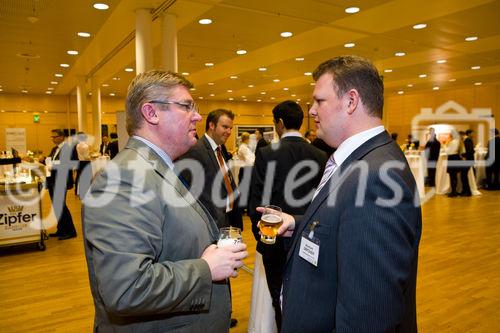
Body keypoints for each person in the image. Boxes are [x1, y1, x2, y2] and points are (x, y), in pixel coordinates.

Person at [83, 70, 247, 332]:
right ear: (151, 113)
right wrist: (206, 268)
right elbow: (126, 288)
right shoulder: (125, 179)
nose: (197, 116)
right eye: (186, 106)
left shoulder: (157, 167)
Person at [271, 56, 422, 332]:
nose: (312, 111)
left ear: (351, 101)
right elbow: (347, 221)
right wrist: (297, 223)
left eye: (319, 101)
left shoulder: (377, 179)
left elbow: (368, 315)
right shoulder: (362, 160)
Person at [248, 100, 327, 330]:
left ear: (279, 124)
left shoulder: (265, 154)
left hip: (276, 242)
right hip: (311, 240)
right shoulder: (320, 155)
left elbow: (257, 203)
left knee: (279, 300)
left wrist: (263, 237)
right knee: (306, 301)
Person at [45, 129, 77, 240]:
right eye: (52, 137)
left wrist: (51, 164)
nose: (53, 139)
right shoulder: (55, 149)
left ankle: (71, 231)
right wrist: (43, 160)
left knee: (61, 206)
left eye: (55, 137)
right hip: (53, 180)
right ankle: (61, 229)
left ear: (62, 137)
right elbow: (49, 160)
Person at [444, 130, 462, 197]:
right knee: (454, 176)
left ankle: (453, 192)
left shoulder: (452, 142)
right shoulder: (458, 141)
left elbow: (447, 152)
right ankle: (454, 191)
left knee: (452, 176)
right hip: (456, 158)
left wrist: (445, 145)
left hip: (452, 158)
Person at [74, 131, 92, 198]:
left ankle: (79, 191)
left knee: (79, 177)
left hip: (80, 162)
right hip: (86, 163)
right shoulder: (86, 146)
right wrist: (91, 156)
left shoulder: (78, 145)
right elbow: (86, 157)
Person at [459, 129, 474, 196]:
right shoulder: (466, 140)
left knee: (464, 176)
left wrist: (463, 156)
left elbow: (470, 151)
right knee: (463, 176)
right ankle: (465, 190)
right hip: (467, 160)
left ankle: (467, 192)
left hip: (468, 160)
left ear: (462, 135)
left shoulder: (467, 140)